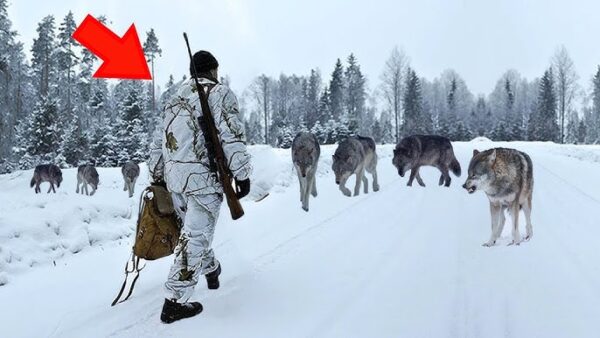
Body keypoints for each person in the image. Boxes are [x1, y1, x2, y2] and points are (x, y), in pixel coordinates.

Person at [148, 50, 252, 324]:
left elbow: (159, 139)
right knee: (195, 237)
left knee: (193, 233)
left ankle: (212, 270)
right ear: (213, 70)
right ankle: (174, 302)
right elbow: (231, 135)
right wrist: (242, 174)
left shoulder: (173, 99)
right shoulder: (219, 93)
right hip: (203, 180)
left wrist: (157, 173)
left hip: (176, 180)